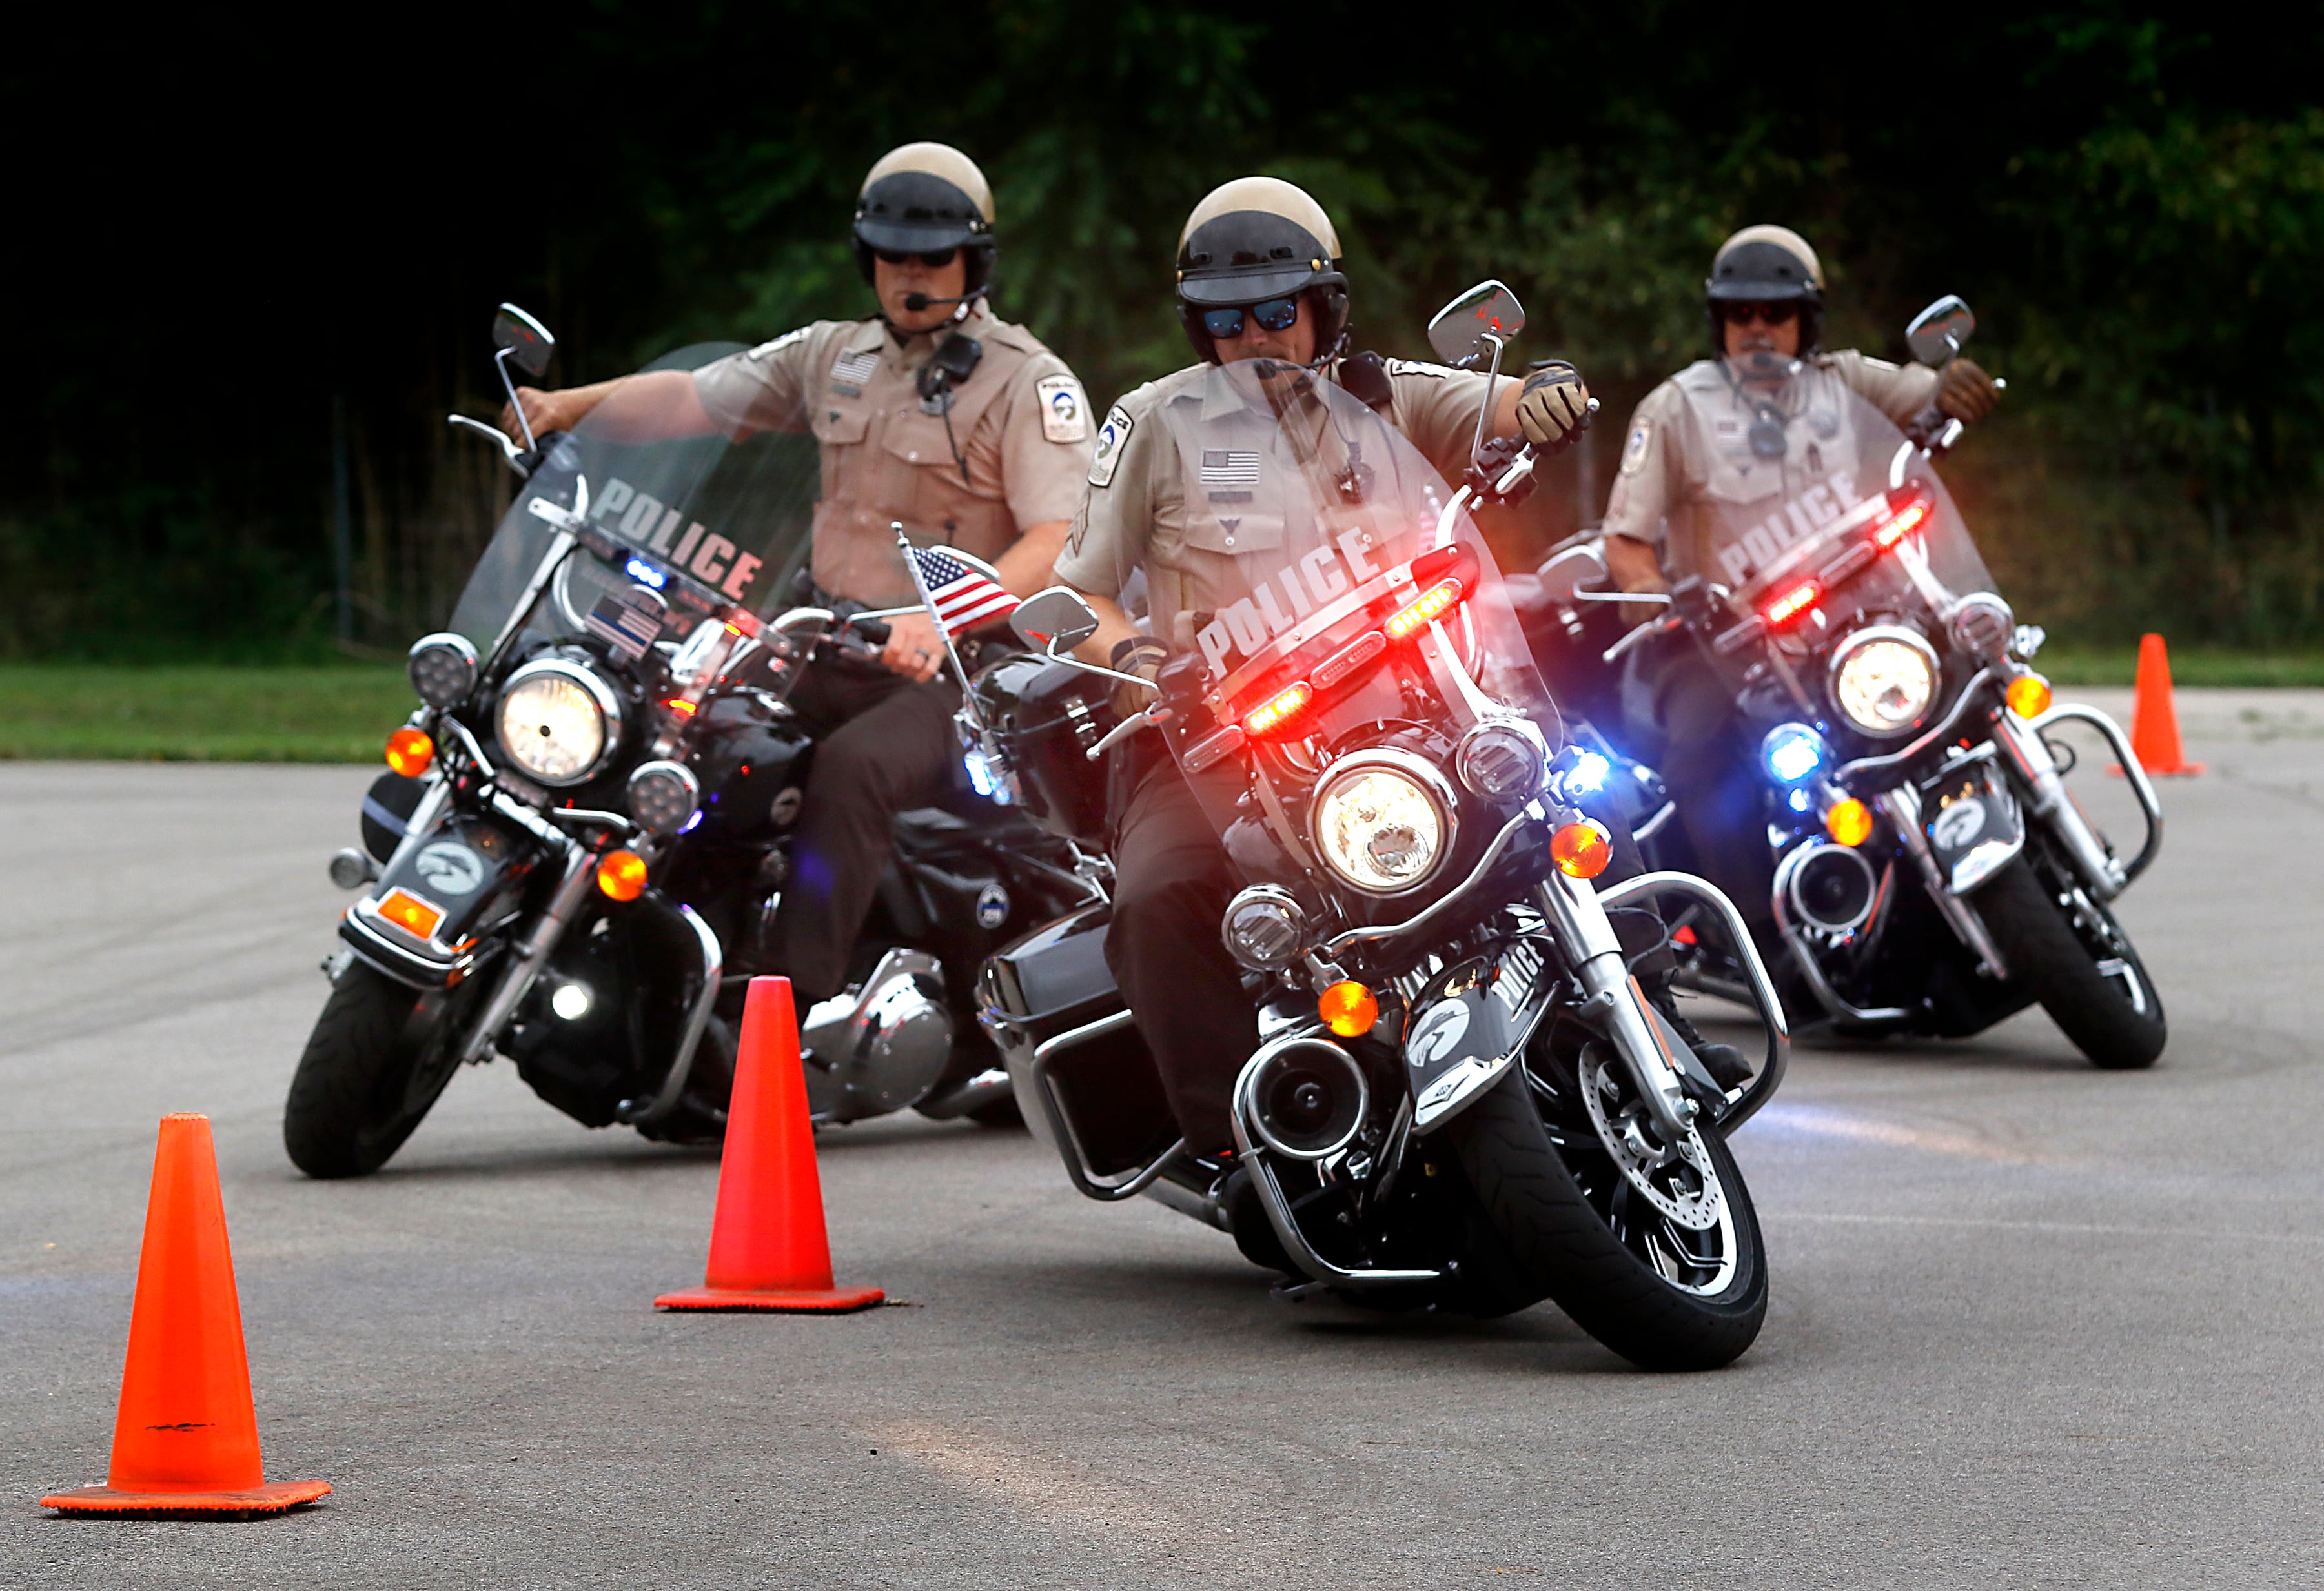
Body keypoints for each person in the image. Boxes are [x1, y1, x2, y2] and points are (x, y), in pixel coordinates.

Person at [1051, 175, 1593, 1163]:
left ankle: (1636, 1017)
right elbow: (1080, 592)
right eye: (1225, 321)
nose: (1254, 337)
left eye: (1275, 312)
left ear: (1323, 308)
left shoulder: (1381, 396)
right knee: (1155, 900)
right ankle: (1249, 1152)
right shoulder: (1154, 422)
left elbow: (1504, 404)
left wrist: (1549, 390)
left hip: (1412, 707)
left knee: (1578, 786)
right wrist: (1132, 652)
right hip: (1219, 745)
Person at [502, 142, 1094, 1007]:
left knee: (851, 771)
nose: (912, 273)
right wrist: (565, 410)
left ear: (974, 259)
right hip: (818, 642)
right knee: (694, 736)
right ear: (870, 258)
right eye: (894, 255)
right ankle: (654, 974)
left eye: (934, 256)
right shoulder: (833, 356)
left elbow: (1061, 530)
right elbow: (692, 398)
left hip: (952, 673)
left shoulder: (1024, 381)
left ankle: (790, 1009)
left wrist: (943, 621)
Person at [1598, 224, 2001, 951]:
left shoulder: (1844, 381)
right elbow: (1625, 539)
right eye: (1740, 314)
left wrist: (1956, 384)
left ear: (1805, 320)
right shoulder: (1674, 407)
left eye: (1775, 313)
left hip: (1859, 612)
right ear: (1719, 320)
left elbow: (1926, 396)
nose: (1757, 329)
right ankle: (1759, 937)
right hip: (1729, 640)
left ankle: (2029, 804)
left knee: (1975, 654)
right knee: (1701, 754)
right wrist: (1654, 593)